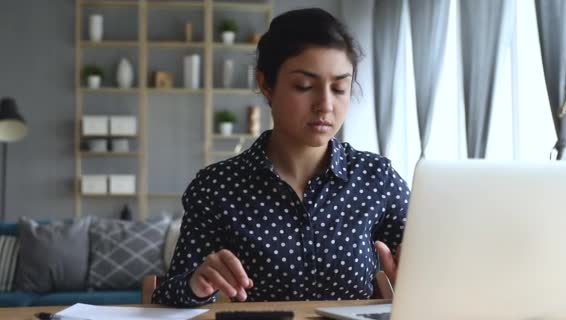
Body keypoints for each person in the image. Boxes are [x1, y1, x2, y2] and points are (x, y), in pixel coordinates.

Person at [152, 8, 409, 307]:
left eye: (339, 88)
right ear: (266, 84)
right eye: (304, 86)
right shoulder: (218, 186)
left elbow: (434, 261)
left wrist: (418, 275)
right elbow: (168, 295)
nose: (325, 105)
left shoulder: (375, 177)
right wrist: (197, 284)